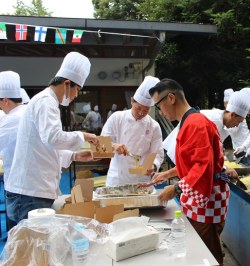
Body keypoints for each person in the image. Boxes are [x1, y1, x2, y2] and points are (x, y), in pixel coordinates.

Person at [149, 78, 237, 265]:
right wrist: (167, 174)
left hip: (207, 198)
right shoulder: (189, 121)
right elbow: (192, 164)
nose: (160, 112)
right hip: (204, 193)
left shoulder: (195, 123)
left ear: (170, 98)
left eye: (158, 105)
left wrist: (175, 189)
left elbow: (202, 168)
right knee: (206, 247)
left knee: (207, 253)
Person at [7, 52, 100, 226]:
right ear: (67, 84)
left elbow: (44, 146)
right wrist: (84, 136)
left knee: (35, 247)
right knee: (29, 249)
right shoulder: (45, 101)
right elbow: (52, 138)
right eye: (77, 89)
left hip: (35, 190)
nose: (76, 95)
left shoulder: (48, 102)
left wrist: (74, 156)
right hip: (30, 192)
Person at [101, 76, 164, 186]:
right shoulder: (117, 118)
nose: (141, 113)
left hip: (142, 180)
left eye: (146, 110)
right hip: (117, 179)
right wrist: (113, 145)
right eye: (138, 108)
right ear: (131, 101)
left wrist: (153, 165)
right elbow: (100, 144)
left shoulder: (154, 126)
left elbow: (157, 153)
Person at [0, 71, 27, 228]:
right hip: (28, 187)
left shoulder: (12, 118)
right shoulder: (26, 113)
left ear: (5, 100)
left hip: (19, 189)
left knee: (19, 240)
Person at [222, 88, 250, 165]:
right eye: (225, 103)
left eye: (227, 103)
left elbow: (232, 129)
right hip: (236, 145)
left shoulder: (238, 115)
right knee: (237, 164)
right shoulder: (228, 115)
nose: (226, 106)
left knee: (246, 165)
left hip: (244, 145)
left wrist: (223, 126)